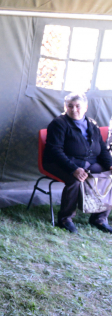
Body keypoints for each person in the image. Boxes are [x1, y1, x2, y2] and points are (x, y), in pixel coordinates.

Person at [43, 92, 112, 234]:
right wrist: (73, 168)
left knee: (110, 177)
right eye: (70, 106)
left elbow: (102, 149)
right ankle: (65, 219)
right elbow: (55, 151)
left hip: (89, 162)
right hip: (59, 162)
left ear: (85, 107)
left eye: (78, 106)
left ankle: (99, 218)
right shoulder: (58, 124)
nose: (74, 109)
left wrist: (110, 164)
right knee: (75, 181)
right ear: (65, 107)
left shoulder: (92, 124)